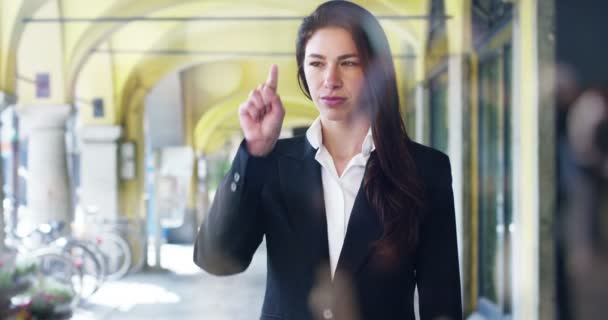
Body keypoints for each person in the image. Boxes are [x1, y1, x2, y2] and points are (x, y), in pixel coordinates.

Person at [193, 1, 462, 319]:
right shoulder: (272, 162)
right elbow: (216, 259)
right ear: (303, 70)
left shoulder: (425, 170)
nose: (330, 79)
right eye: (317, 63)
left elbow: (441, 304)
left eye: (348, 63)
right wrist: (253, 151)